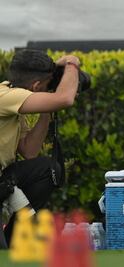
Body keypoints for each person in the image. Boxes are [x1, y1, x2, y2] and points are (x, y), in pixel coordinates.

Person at [0, 49, 81, 247]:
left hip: (3, 180)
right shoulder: (5, 97)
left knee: (47, 169)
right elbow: (66, 99)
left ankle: (14, 239)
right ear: (36, 86)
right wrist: (72, 63)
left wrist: (47, 110)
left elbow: (29, 151)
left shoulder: (13, 103)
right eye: (46, 86)